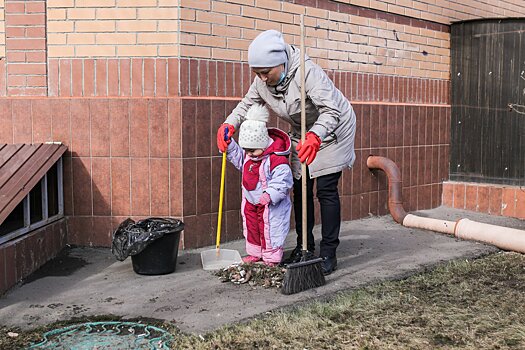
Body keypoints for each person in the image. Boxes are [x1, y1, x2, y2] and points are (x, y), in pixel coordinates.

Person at [217, 29, 356, 275]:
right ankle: (305, 246)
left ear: (280, 62)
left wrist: (316, 136)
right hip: (302, 132)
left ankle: (328, 252)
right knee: (301, 187)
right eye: (256, 73)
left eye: (265, 72)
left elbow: (331, 111)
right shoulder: (263, 81)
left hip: (333, 130)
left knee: (324, 188)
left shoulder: (308, 73)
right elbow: (247, 104)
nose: (261, 78)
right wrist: (230, 123)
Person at [224, 103, 294, 266]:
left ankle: (271, 256)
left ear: (263, 144)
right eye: (246, 150)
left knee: (270, 229)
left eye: (252, 151)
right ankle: (255, 252)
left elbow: (282, 181)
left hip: (270, 204)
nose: (249, 154)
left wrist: (270, 194)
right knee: (252, 227)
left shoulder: (275, 159)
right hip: (250, 201)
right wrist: (229, 146)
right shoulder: (250, 155)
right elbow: (239, 158)